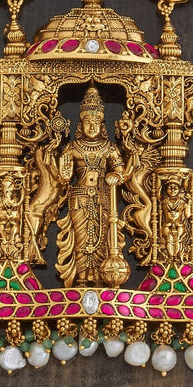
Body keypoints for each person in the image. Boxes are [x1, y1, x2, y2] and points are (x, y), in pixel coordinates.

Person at [56, 86, 125, 285]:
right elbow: (64, 176)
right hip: (80, 197)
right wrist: (65, 175)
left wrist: (115, 175)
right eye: (88, 122)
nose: (92, 127)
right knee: (82, 238)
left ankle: (101, 275)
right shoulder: (72, 147)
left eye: (96, 122)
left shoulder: (109, 147)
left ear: (102, 124)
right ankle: (82, 276)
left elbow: (120, 171)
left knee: (102, 237)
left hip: (103, 196)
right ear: (81, 124)